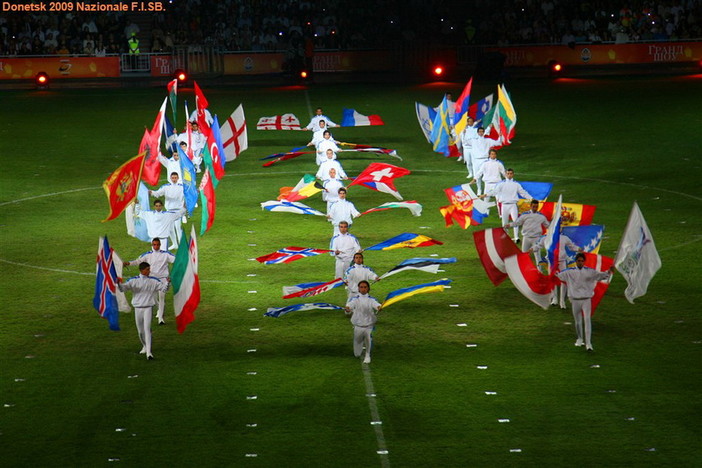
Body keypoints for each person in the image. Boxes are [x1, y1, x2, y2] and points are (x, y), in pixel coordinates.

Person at [556, 253, 614, 351]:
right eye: (579, 261)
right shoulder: (569, 272)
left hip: (586, 300)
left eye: (582, 261)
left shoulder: (589, 271)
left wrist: (609, 271)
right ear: (576, 261)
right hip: (575, 300)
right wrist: (553, 271)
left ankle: (589, 343)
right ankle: (580, 338)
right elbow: (558, 276)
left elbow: (601, 276)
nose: (580, 262)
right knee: (578, 322)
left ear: (584, 261)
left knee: (587, 320)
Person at [118, 261, 170, 360]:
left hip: (148, 308)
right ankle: (145, 346)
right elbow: (123, 289)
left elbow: (164, 289)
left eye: (149, 269)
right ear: (141, 270)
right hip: (138, 308)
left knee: (147, 329)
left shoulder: (153, 281)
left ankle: (149, 353)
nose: (149, 271)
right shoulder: (134, 281)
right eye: (147, 269)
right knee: (140, 332)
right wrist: (118, 284)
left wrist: (167, 282)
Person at [124, 239, 175, 325]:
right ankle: (159, 309)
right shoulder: (148, 255)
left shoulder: (166, 254)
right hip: (152, 279)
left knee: (162, 297)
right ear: (152, 245)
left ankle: (161, 319)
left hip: (163, 279)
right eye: (154, 245)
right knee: (153, 298)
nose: (156, 246)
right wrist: (128, 263)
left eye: (157, 245)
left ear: (160, 245)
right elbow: (138, 261)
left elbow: (177, 260)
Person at [488, 168, 533, 243]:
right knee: (504, 222)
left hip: (513, 205)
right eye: (508, 173)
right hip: (504, 205)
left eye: (511, 173)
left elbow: (523, 193)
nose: (509, 175)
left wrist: (531, 198)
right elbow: (494, 191)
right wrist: (486, 194)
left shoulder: (516, 184)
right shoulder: (501, 184)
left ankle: (516, 237)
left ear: (513, 174)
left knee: (515, 221)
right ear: (505, 174)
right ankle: (506, 237)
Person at [344, 280, 381, 364]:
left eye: (365, 287)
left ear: (368, 289)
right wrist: (348, 307)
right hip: (358, 325)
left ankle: (368, 355)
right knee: (357, 353)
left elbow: (376, 304)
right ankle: (360, 348)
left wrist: (378, 307)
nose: (363, 289)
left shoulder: (371, 299)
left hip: (369, 325)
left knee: (368, 339)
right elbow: (350, 305)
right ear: (359, 289)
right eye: (361, 287)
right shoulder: (355, 299)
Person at [469, 127, 502, 194]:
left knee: (487, 174)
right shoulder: (473, 140)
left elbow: (498, 143)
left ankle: (489, 190)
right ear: (477, 132)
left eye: (482, 131)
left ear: (484, 132)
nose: (481, 133)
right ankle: (479, 189)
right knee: (477, 174)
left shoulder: (488, 140)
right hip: (476, 160)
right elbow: (464, 142)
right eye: (479, 131)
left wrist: (500, 136)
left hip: (485, 159)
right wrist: (463, 134)